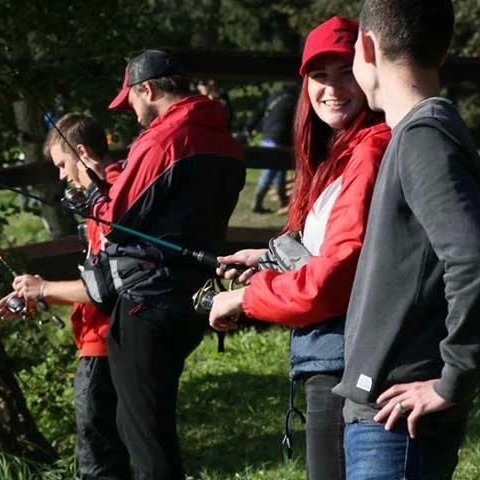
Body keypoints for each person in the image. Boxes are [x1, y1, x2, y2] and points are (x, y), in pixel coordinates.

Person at [208, 16, 390, 480]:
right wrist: (267, 259)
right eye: (319, 75)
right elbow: (329, 248)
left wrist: (245, 298)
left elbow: (332, 282)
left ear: (368, 72)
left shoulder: (367, 153)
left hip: (345, 360)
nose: (332, 88)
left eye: (344, 72)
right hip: (333, 354)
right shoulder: (339, 153)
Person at [331, 1, 480, 479]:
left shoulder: (424, 137)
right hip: (386, 417)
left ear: (366, 47)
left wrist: (452, 381)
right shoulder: (418, 133)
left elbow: (475, 265)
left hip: (396, 425)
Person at [94, 49, 245, 479]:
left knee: (143, 429)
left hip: (149, 297)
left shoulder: (166, 138)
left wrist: (94, 192)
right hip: (193, 296)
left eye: (132, 102)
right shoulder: (222, 138)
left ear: (149, 89)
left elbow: (114, 221)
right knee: (148, 420)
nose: (134, 114)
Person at [0, 112, 131, 480]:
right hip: (109, 338)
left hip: (105, 344)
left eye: (61, 163)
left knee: (98, 462)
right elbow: (102, 281)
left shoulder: (111, 201)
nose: (61, 175)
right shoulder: (105, 197)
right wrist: (40, 294)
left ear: (81, 152)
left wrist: (45, 289)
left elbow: (106, 288)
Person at [243, 82, 298, 213]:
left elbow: (259, 111)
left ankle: (282, 201)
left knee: (280, 170)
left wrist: (248, 127)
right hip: (280, 139)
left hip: (267, 136)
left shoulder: (273, 95)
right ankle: (257, 203)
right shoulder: (294, 100)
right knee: (271, 172)